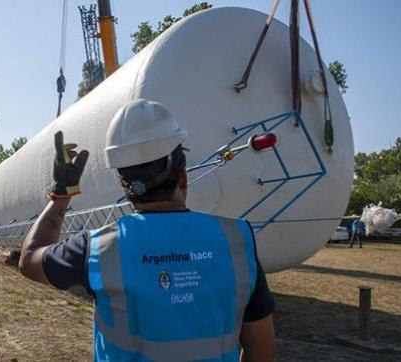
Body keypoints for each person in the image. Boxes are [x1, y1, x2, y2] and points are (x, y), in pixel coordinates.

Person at [18, 99, 276, 361]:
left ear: (123, 182)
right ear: (183, 175)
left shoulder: (97, 249)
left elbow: (29, 260)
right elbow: (262, 351)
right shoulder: (237, 241)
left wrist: (61, 195)